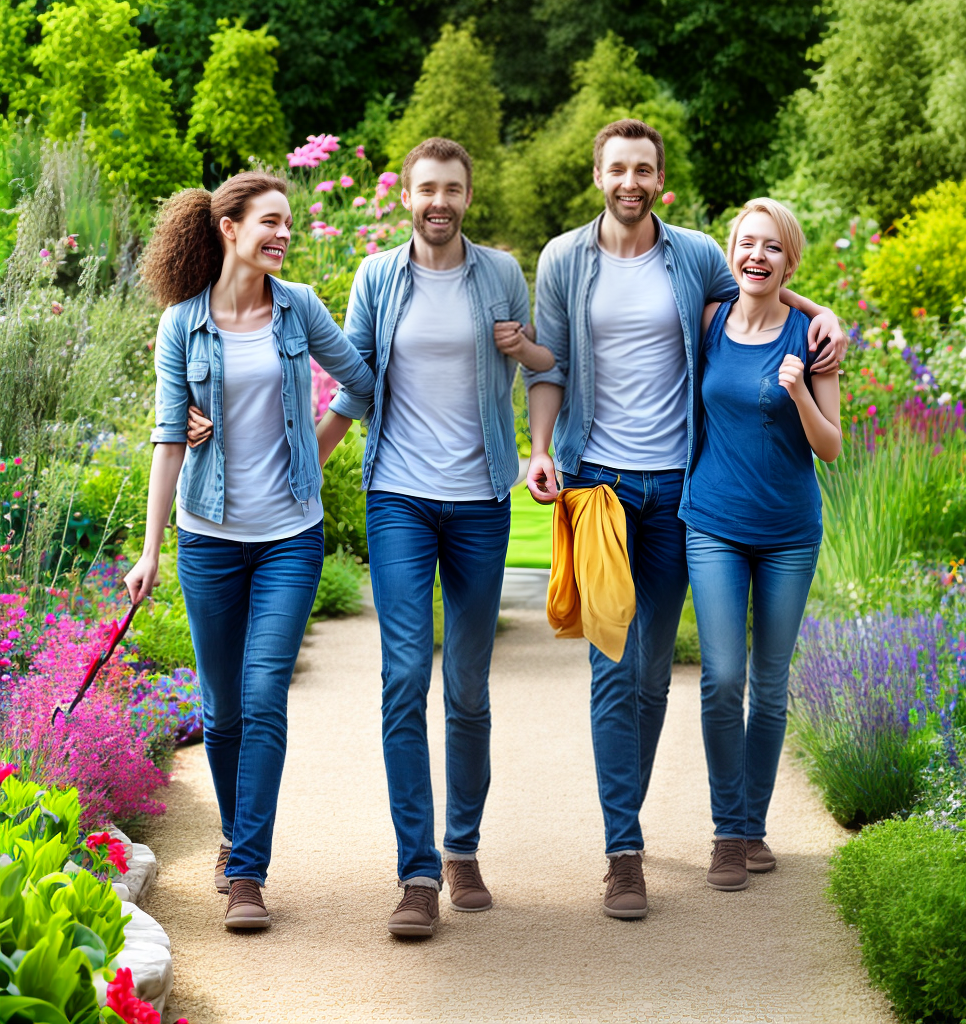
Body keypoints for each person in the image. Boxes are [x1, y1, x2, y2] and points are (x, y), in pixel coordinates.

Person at [522, 119, 847, 919]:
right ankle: (622, 850)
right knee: (610, 667)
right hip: (598, 484)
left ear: (659, 178)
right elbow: (552, 361)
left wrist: (824, 307)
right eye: (617, 169)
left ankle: (691, 825)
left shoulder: (695, 252)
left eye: (644, 169)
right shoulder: (564, 259)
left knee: (652, 673)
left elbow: (759, 281)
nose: (630, 181)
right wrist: (539, 448)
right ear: (598, 174)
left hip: (677, 492)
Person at [315, 137, 554, 938]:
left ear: (468, 195)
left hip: (482, 499)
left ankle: (463, 848)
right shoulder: (378, 277)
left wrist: (524, 353)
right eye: (426, 188)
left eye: (452, 187)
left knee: (469, 688)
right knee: (405, 674)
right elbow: (355, 384)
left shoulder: (502, 275)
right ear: (407, 197)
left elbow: (537, 364)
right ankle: (417, 873)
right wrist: (302, 461)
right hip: (399, 500)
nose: (438, 201)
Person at [124, 171, 376, 931]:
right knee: (222, 709)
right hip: (208, 539)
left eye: (289, 223)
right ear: (228, 228)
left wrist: (316, 454)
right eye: (270, 221)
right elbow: (171, 439)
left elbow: (359, 383)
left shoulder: (298, 309)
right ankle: (237, 839)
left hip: (289, 538)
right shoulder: (183, 325)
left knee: (263, 698)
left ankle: (247, 874)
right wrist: (149, 551)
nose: (284, 234)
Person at [680, 198, 841, 891]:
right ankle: (725, 832)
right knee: (721, 678)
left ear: (789, 260)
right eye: (747, 244)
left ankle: (751, 826)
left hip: (788, 534)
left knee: (769, 687)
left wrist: (802, 392)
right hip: (713, 521)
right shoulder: (711, 319)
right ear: (731, 252)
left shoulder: (811, 337)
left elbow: (831, 447)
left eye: (772, 248)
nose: (757, 256)